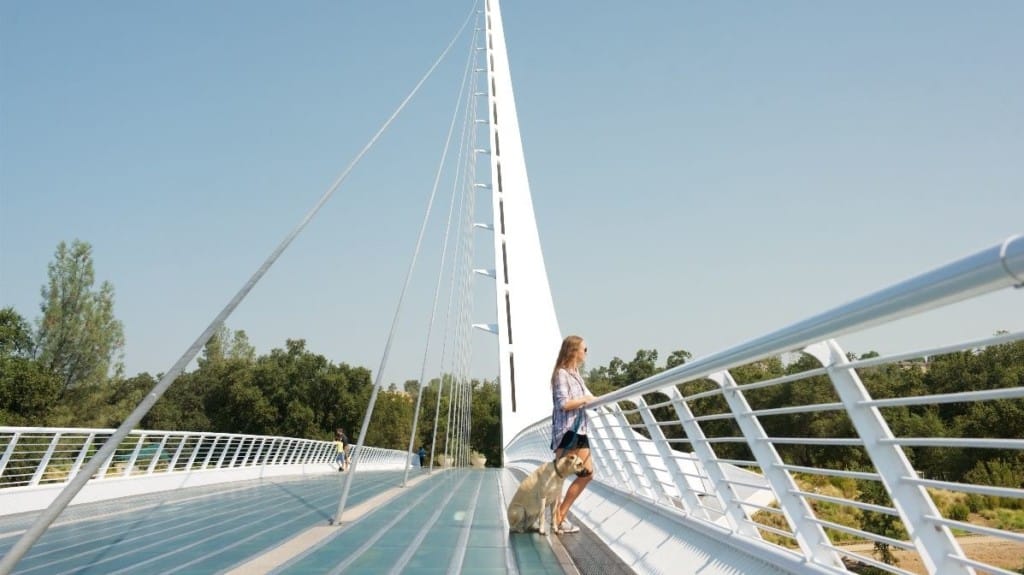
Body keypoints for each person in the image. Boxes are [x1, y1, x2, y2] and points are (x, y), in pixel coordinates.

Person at [550, 335, 597, 534]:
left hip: (579, 429)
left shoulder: (575, 373)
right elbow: (564, 403)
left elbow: (588, 398)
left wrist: (593, 401)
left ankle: (559, 516)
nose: (586, 353)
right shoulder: (561, 374)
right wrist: (585, 399)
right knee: (560, 478)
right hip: (567, 431)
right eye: (584, 349)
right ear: (573, 351)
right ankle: (558, 519)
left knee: (586, 474)